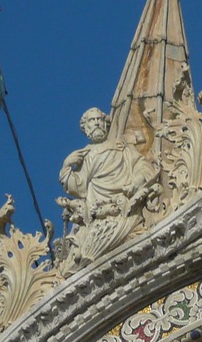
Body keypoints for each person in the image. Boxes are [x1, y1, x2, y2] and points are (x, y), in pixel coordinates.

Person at [56, 107, 158, 273]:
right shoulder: (85, 155)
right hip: (98, 215)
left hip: (124, 210)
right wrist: (67, 165)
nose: (96, 123)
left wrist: (137, 180)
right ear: (85, 128)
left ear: (106, 124)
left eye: (99, 119)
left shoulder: (121, 147)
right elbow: (78, 186)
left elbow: (142, 165)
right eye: (91, 120)